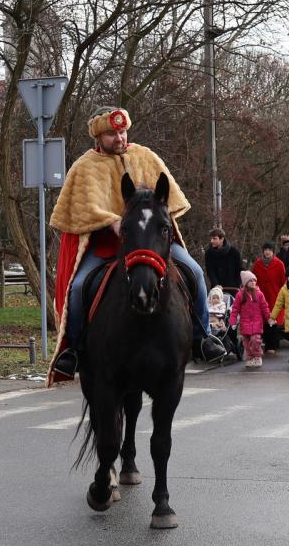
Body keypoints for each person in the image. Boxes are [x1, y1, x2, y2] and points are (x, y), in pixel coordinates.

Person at [48, 107, 227, 380]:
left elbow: (168, 199)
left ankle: (202, 337)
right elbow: (86, 208)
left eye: (122, 131)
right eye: (111, 133)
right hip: (108, 244)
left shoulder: (145, 156)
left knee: (195, 273)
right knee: (80, 287)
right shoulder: (84, 168)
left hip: (150, 241)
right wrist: (112, 221)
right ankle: (73, 350)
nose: (119, 138)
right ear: (98, 136)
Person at [252, 242, 287, 355]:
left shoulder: (279, 264)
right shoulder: (257, 264)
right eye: (265, 250)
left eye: (269, 250)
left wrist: (284, 296)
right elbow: (253, 281)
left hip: (275, 296)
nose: (267, 252)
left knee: (273, 320)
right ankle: (268, 343)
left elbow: (283, 282)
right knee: (264, 321)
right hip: (261, 296)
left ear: (273, 251)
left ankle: (272, 345)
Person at [229, 269, 269, 369]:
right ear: (246, 283)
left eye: (254, 280)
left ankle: (257, 356)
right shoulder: (240, 295)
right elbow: (235, 308)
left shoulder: (259, 294)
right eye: (250, 281)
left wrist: (269, 318)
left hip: (257, 322)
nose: (253, 283)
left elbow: (264, 307)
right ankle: (250, 357)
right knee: (247, 343)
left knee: (255, 340)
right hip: (245, 323)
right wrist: (233, 321)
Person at [204, 228, 243, 294]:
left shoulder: (234, 252)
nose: (211, 241)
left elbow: (239, 269)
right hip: (216, 289)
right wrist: (216, 284)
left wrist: (236, 284)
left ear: (222, 239)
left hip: (233, 288)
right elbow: (210, 271)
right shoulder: (209, 253)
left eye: (214, 238)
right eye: (211, 239)